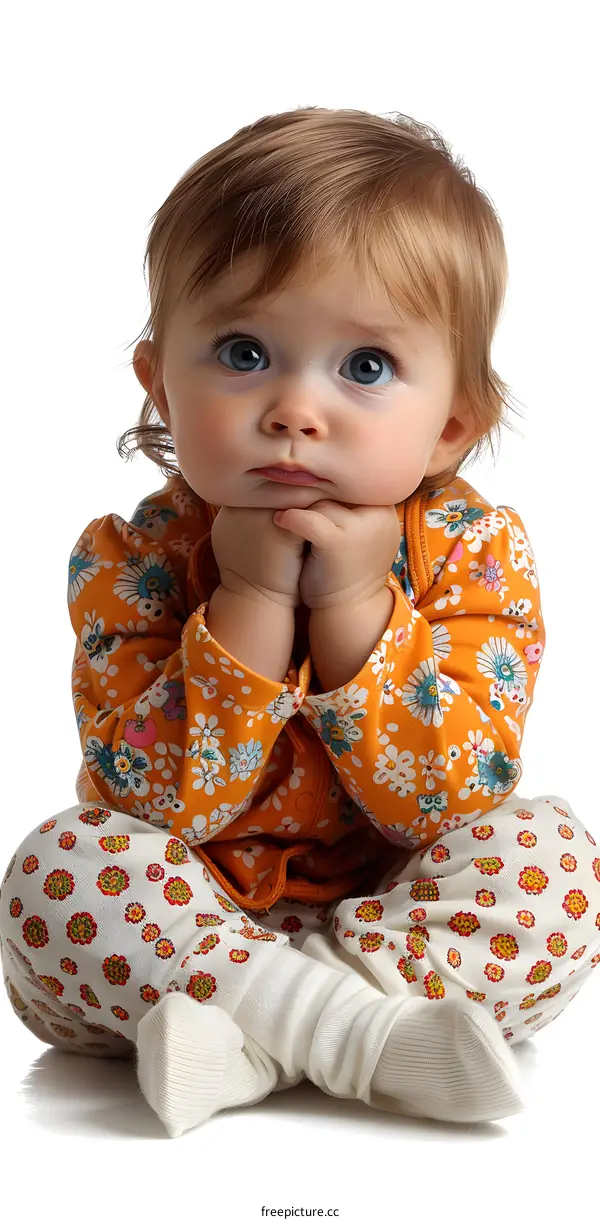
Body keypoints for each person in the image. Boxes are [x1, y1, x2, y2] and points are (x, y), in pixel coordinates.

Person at [2, 105, 599, 1140]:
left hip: (407, 925)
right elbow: (152, 804)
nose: (293, 409)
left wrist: (355, 607)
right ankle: (363, 1037)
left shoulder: (475, 551)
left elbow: (447, 802)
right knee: (61, 866)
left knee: (554, 861)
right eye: (242, 351)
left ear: (453, 420)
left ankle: (255, 1037)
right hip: (168, 937)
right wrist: (254, 603)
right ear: (159, 382)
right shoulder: (128, 559)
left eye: (364, 366)